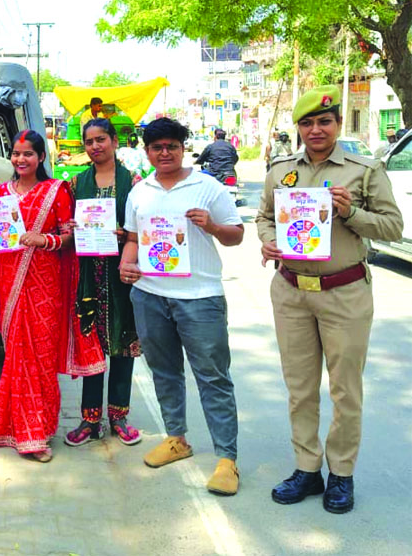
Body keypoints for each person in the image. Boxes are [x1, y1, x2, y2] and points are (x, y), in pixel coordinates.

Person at [256, 86, 402, 514]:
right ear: (298, 128)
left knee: (345, 391)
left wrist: (350, 213)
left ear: (337, 124)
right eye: (307, 123)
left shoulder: (364, 170)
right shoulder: (280, 170)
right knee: (300, 389)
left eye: (324, 121)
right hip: (291, 292)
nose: (315, 129)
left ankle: (341, 473)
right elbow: (264, 217)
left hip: (345, 294)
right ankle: (307, 469)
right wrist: (268, 242)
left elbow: (393, 227)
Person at [120, 117, 244, 495]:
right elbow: (133, 238)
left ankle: (227, 459)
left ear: (183, 148)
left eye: (172, 146)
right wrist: (128, 261)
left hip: (200, 298)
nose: (165, 153)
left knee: (213, 377)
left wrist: (212, 226)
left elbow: (236, 236)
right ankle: (177, 439)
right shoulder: (140, 191)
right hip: (150, 294)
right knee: (164, 371)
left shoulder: (208, 187)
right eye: (157, 148)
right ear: (147, 152)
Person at [0, 130, 76, 463]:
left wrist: (44, 241)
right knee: (16, 355)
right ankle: (10, 428)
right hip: (9, 278)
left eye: (28, 154)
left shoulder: (56, 191)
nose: (20, 159)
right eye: (15, 153)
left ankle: (36, 434)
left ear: (41, 157)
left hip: (44, 283)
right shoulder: (0, 192)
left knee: (39, 357)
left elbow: (68, 238)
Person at [65, 119, 142, 447]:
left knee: (123, 347)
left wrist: (125, 234)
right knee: (90, 348)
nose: (95, 146)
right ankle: (90, 418)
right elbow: (65, 231)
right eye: (89, 141)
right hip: (87, 278)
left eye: (101, 139)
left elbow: (143, 229)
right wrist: (70, 227)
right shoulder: (75, 183)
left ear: (114, 141)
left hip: (122, 277)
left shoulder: (134, 183)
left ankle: (119, 416)